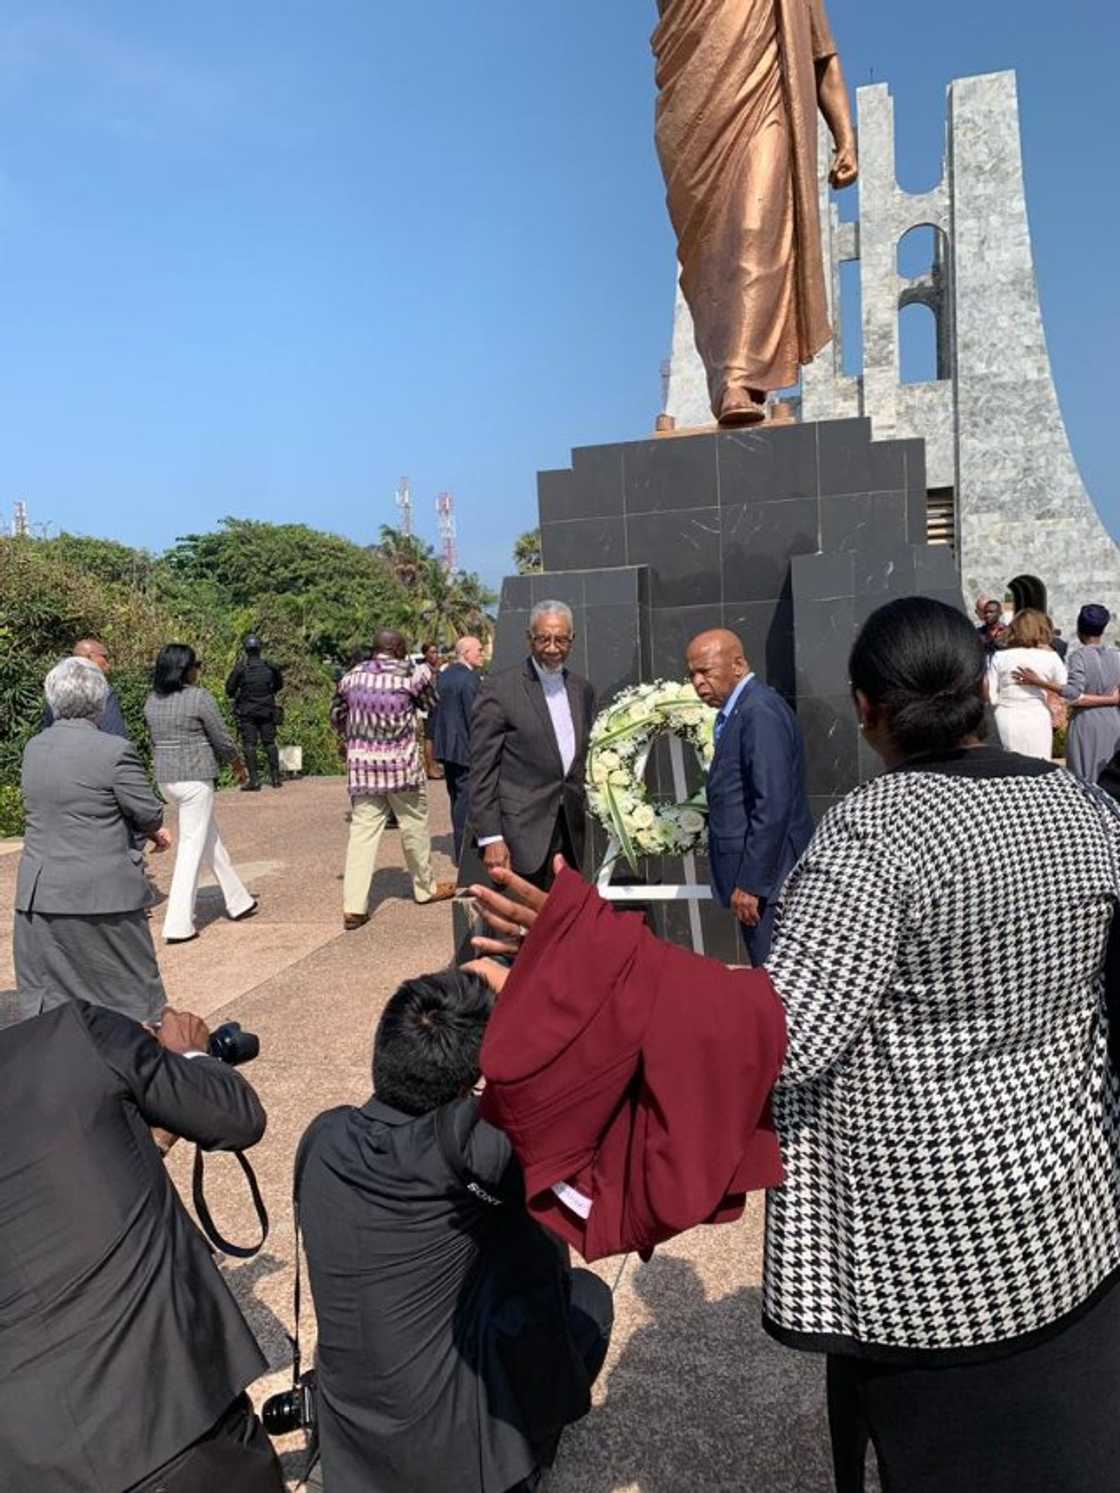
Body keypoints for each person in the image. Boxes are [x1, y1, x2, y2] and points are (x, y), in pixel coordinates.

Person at [471, 595, 1120, 1493]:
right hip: (1068, 1212)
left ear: (865, 708)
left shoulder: (874, 833)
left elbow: (789, 1032)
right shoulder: (1087, 810)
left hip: (927, 1241)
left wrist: (591, 956)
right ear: (981, 688)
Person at [296, 969, 614, 1493]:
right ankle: (526, 1460)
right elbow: (590, 1087)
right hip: (454, 1464)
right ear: (469, 1088)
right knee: (587, 1301)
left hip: (354, 1448)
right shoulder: (475, 1151)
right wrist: (537, 1002)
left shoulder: (324, 1135)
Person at [0, 1000, 283, 1493]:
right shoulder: (74, 1035)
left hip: (33, 1466)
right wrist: (189, 1055)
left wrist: (146, 1144)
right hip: (181, 1425)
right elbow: (237, 1118)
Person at [652, 0, 857, 426]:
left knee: (754, 226)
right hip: (696, 111)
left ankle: (738, 379)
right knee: (711, 258)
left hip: (765, 103)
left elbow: (821, 54)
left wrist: (846, 138)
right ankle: (724, 376)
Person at [14, 656, 172, 1023]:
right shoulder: (114, 751)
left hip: (42, 894)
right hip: (105, 896)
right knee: (134, 997)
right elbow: (148, 812)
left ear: (52, 700)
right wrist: (153, 830)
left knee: (55, 1004)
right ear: (101, 700)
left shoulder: (34, 748)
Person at [685, 628, 813, 965]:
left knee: (776, 979)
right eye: (692, 674)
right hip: (764, 883)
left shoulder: (759, 712)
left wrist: (753, 883)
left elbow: (771, 803)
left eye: (705, 672)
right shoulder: (743, 709)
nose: (697, 682)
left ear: (738, 665)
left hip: (770, 886)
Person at [331, 629, 456, 931]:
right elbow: (431, 704)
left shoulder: (351, 677)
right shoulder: (410, 674)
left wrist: (357, 733)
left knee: (362, 834)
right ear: (399, 649)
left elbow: (336, 716)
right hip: (402, 768)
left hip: (363, 768)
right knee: (413, 826)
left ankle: (354, 907)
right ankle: (424, 888)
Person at [470, 601, 595, 888]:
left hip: (569, 829)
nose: (552, 648)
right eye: (543, 639)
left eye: (561, 640)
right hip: (520, 835)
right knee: (523, 915)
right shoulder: (501, 688)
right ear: (529, 638)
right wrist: (491, 836)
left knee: (565, 909)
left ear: (572, 639)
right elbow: (482, 769)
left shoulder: (582, 690)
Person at [145, 644, 257, 944]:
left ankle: (238, 900)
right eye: (197, 665)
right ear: (185, 669)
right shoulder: (199, 697)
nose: (199, 670)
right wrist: (238, 765)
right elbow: (221, 738)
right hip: (195, 779)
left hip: (166, 780)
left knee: (208, 838)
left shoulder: (152, 700)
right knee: (191, 849)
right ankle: (178, 924)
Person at [1016, 602, 1120, 782]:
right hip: (1113, 721)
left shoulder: (1079, 656)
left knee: (1084, 777)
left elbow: (1072, 693)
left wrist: (1039, 682)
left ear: (1079, 629)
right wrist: (1110, 700)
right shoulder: (1116, 656)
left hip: (1086, 721)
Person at [987, 608, 1066, 760]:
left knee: (1010, 763)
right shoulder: (1051, 657)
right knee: (1040, 762)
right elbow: (1066, 689)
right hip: (1037, 715)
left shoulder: (1000, 657)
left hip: (1007, 714)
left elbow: (991, 695)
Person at [434, 634, 484, 862]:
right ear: (466, 653)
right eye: (478, 650)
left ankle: (460, 848)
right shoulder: (470, 679)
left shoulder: (444, 676)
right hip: (465, 747)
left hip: (447, 747)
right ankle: (465, 853)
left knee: (456, 798)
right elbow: (475, 716)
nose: (482, 654)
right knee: (466, 800)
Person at [225, 635, 284, 791]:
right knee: (270, 743)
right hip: (267, 711)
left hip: (248, 713)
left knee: (249, 745)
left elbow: (229, 689)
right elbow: (279, 685)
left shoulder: (241, 668)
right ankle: (276, 778)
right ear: (260, 649)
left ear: (246, 650)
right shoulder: (270, 667)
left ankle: (255, 781)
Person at [40, 636, 129, 737]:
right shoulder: (102, 692)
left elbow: (47, 732)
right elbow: (116, 735)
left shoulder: (56, 691)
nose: (108, 664)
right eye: (104, 657)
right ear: (89, 657)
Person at [420, 641, 445, 781]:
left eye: (436, 652)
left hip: (438, 707)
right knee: (429, 737)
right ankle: (430, 768)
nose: (435, 655)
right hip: (428, 708)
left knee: (435, 737)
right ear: (425, 654)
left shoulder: (436, 669)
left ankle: (435, 766)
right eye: (432, 652)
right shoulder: (423, 669)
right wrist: (437, 670)